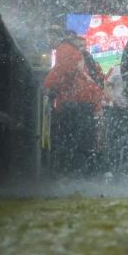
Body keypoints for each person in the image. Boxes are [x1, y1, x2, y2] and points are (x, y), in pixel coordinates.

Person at [44, 35, 103, 176]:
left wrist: (48, 86)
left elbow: (63, 72)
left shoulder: (64, 49)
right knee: (81, 141)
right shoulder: (80, 55)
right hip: (86, 102)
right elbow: (97, 81)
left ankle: (69, 174)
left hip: (75, 102)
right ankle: (81, 174)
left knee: (70, 140)